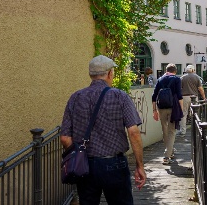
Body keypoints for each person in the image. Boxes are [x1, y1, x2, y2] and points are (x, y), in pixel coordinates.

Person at [60, 55, 146, 205]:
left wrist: (79, 157)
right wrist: (139, 166)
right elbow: (133, 132)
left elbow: (65, 138)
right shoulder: (120, 96)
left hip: (85, 167)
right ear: (109, 74)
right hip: (115, 165)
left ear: (90, 75)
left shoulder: (76, 98)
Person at [152, 63, 183, 165]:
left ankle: (170, 151)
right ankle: (166, 156)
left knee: (165, 130)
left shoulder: (160, 79)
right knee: (172, 131)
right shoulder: (177, 79)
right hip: (173, 108)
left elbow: (154, 95)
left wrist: (154, 110)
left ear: (166, 70)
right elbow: (179, 96)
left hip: (161, 107)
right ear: (175, 71)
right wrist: (181, 109)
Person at [179, 65, 206, 136]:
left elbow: (179, 89)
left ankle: (183, 131)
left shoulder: (182, 77)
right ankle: (196, 130)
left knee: (184, 113)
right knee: (195, 113)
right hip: (194, 97)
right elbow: (200, 89)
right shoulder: (196, 77)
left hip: (184, 97)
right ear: (193, 70)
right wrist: (204, 97)